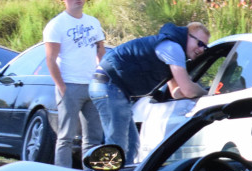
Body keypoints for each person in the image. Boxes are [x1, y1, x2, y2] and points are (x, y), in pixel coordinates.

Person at [90, 21, 210, 160]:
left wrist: (192, 90)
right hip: (109, 86)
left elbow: (176, 92)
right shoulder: (173, 48)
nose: (201, 50)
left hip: (113, 89)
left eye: (205, 48)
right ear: (188, 36)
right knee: (118, 146)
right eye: (200, 44)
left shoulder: (172, 50)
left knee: (131, 145)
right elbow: (187, 90)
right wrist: (208, 94)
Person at [42, 0, 105, 167]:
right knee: (66, 136)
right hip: (70, 84)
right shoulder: (56, 25)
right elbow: (50, 59)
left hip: (92, 86)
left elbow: (100, 52)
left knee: (93, 137)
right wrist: (61, 86)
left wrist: (102, 78)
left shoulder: (93, 23)